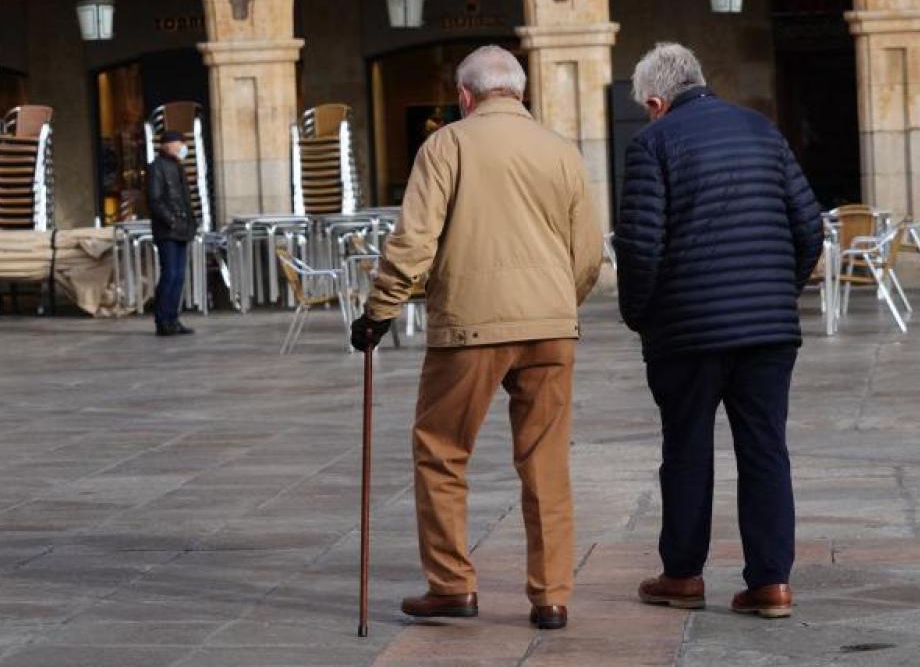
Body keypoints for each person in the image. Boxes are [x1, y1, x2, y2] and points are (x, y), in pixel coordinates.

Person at [350, 45, 603, 630]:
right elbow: (589, 253)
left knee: (441, 451)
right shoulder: (561, 151)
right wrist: (559, 304)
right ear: (520, 93)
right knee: (546, 462)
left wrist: (379, 310)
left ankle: (452, 584)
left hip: (469, 326)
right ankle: (551, 595)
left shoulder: (447, 144)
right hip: (551, 327)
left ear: (465, 96)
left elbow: (414, 240)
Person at [613, 43, 822, 618]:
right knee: (765, 451)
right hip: (768, 332)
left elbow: (639, 247)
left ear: (657, 101)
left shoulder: (652, 144)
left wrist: (641, 315)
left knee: (686, 450)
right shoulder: (762, 130)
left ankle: (682, 576)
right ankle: (771, 583)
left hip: (687, 333)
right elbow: (810, 227)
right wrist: (779, 294)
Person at [147, 130, 197, 337]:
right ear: (167, 145)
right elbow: (155, 200)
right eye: (179, 143)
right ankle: (162, 319)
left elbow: (184, 199)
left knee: (178, 276)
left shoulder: (178, 167)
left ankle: (173, 318)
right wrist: (172, 220)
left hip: (181, 228)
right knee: (170, 274)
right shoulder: (157, 167)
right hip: (167, 229)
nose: (182, 147)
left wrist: (190, 223)